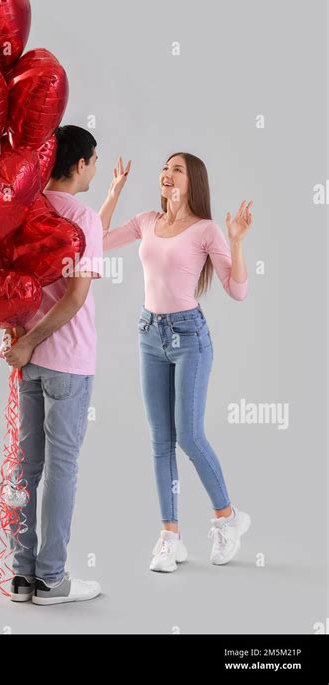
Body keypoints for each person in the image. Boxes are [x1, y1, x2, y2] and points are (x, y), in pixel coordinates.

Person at [99, 152, 253, 572]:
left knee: (188, 435)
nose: (166, 173)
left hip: (189, 338)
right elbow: (94, 240)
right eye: (165, 168)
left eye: (177, 169)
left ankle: (228, 518)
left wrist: (236, 241)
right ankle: (170, 536)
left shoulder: (206, 230)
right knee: (159, 440)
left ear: (193, 181)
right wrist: (113, 192)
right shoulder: (148, 220)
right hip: (149, 334)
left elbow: (237, 290)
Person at [0, 125, 103, 605]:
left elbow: (7, 286)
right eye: (94, 162)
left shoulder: (26, 210)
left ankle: (21, 576)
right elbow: (77, 297)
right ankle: (52, 579)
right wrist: (34, 339)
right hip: (67, 360)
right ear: (80, 164)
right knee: (61, 468)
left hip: (31, 361)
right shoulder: (82, 216)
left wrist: (21, 339)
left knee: (26, 468)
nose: (96, 171)